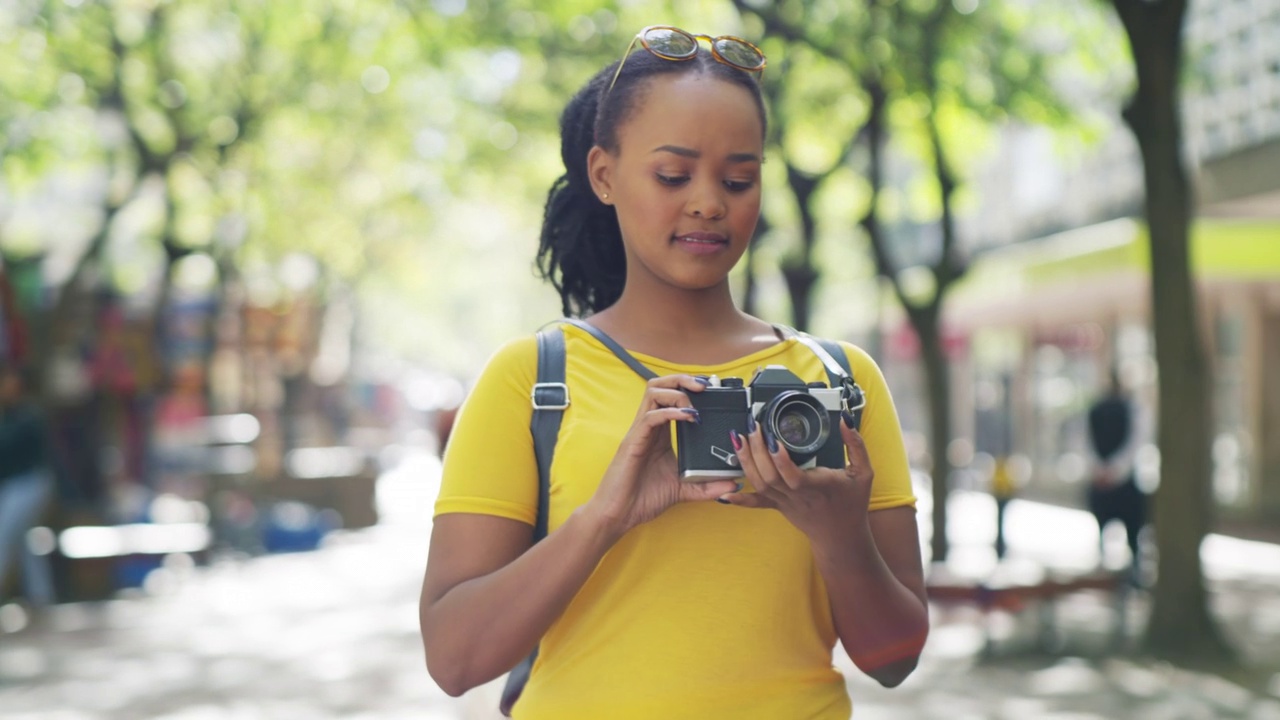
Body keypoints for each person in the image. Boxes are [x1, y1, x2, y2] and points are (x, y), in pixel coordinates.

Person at [418, 26, 927, 719]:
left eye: (739, 178)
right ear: (604, 174)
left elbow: (895, 659)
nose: (710, 202)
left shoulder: (840, 382)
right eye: (673, 174)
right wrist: (606, 515)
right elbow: (454, 661)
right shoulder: (533, 380)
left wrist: (837, 535)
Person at [0, 363, 57, 611]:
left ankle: (40, 597)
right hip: (17, 484)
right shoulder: (10, 414)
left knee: (3, 536)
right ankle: (41, 597)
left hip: (29, 482)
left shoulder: (27, 414)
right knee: (24, 543)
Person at [1084, 368, 1148, 581]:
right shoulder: (1127, 409)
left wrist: (1105, 469)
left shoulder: (1103, 409)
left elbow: (1085, 441)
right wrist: (1113, 469)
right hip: (1119, 480)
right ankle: (1124, 572)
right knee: (1127, 530)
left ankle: (1126, 570)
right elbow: (1137, 441)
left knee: (1126, 531)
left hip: (1112, 479)